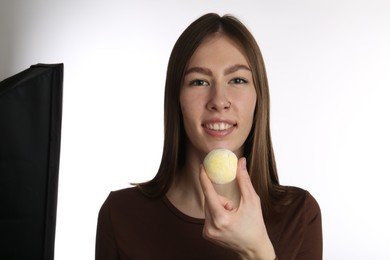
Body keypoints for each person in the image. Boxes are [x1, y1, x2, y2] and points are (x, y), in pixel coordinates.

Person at [95, 13, 322, 260]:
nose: (219, 101)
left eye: (237, 79)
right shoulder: (120, 214)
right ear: (177, 98)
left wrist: (257, 251)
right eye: (200, 82)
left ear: (259, 98)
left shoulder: (299, 214)